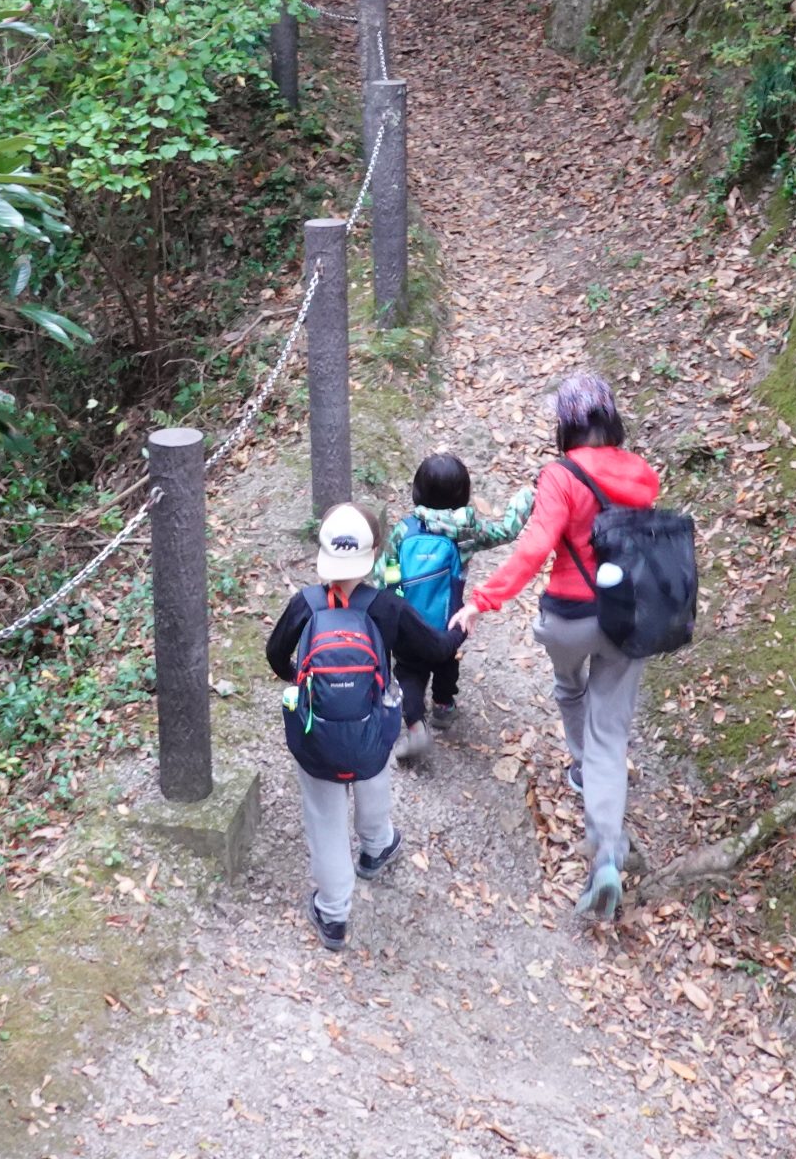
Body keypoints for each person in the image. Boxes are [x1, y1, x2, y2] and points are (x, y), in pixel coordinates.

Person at [451, 370, 660, 919]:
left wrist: (482, 601)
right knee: (610, 735)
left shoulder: (560, 476)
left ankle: (578, 764)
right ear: (610, 419)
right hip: (627, 620)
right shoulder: (642, 474)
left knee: (570, 687)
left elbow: (535, 547)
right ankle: (608, 853)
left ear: (566, 425)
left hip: (569, 617)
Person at [266, 504, 461, 950]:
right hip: (372, 724)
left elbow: (276, 656)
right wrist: (461, 627)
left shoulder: (305, 605)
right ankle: (376, 847)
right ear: (373, 557)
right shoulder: (386, 607)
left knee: (325, 816)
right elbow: (435, 649)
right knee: (374, 770)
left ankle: (333, 914)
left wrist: (303, 676)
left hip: (317, 735)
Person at [377, 450, 524, 759]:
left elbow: (384, 574)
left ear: (417, 492)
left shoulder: (404, 531)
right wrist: (526, 499)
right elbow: (507, 532)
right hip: (449, 622)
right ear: (464, 495)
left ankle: (416, 724)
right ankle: (444, 707)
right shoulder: (466, 532)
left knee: (408, 672)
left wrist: (394, 604)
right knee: (446, 661)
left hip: (407, 625)